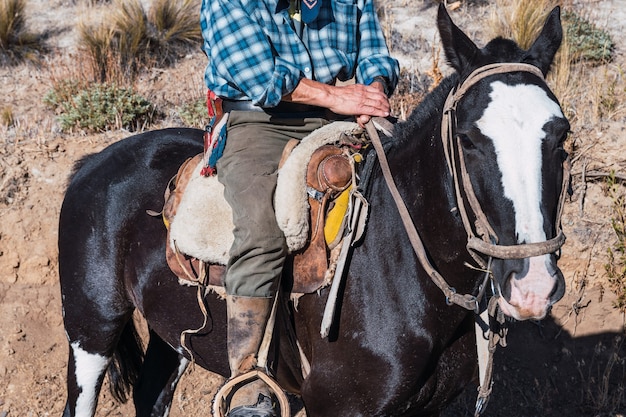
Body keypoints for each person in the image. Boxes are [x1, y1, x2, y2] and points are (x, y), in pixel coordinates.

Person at [200, 0, 399, 415]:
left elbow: (375, 53)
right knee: (260, 226)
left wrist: (374, 91)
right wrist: (340, 96)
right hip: (259, 121)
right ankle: (248, 380)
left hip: (339, 116)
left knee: (402, 193)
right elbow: (260, 77)